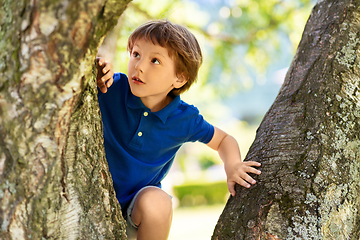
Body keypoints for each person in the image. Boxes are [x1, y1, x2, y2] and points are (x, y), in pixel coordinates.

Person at [96, 20, 261, 240]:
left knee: (159, 202)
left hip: (134, 214)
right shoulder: (111, 87)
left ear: (179, 77)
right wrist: (93, 72)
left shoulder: (183, 118)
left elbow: (223, 140)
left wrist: (233, 165)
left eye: (155, 60)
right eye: (136, 54)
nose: (140, 66)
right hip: (89, 199)